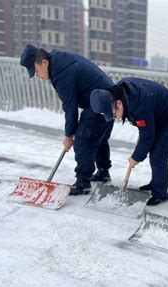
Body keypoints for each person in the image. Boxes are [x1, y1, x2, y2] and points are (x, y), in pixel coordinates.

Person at [19, 44, 114, 195]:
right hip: (108, 97)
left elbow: (70, 107)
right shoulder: (59, 61)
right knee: (97, 136)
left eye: (37, 72)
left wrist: (69, 135)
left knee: (83, 139)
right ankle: (103, 172)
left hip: (100, 101)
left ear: (44, 62)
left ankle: (83, 182)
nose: (38, 76)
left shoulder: (61, 73)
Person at [90, 78, 168, 206]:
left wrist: (136, 157)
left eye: (113, 114)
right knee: (154, 151)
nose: (115, 118)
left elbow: (148, 137)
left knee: (158, 155)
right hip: (155, 114)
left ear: (118, 104)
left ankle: (160, 194)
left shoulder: (139, 104)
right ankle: (156, 182)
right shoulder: (121, 93)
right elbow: (145, 127)